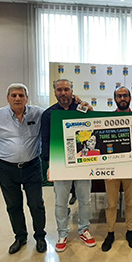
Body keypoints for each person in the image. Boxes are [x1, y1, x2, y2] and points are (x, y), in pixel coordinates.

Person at [0, 83, 47, 254]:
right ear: (8, 98)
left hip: (32, 166)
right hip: (6, 169)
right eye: (14, 95)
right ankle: (20, 237)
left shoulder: (38, 113)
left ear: (27, 98)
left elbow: (56, 116)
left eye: (21, 95)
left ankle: (40, 237)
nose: (17, 98)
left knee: (36, 204)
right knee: (13, 205)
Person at [41, 78, 95, 252]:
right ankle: (62, 233)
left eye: (66, 89)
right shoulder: (48, 114)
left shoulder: (82, 110)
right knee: (61, 202)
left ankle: (84, 229)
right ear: (55, 92)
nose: (63, 93)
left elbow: (96, 127)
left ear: (72, 90)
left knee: (85, 200)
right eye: (59, 90)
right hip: (60, 163)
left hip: (82, 162)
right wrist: (50, 165)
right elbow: (46, 141)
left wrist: (92, 111)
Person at [101, 86, 132, 251]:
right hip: (112, 169)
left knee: (131, 203)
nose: (122, 98)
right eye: (119, 96)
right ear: (114, 99)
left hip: (131, 168)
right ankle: (110, 233)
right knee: (111, 204)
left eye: (125, 96)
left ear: (130, 98)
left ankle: (130, 231)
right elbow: (103, 144)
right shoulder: (107, 119)